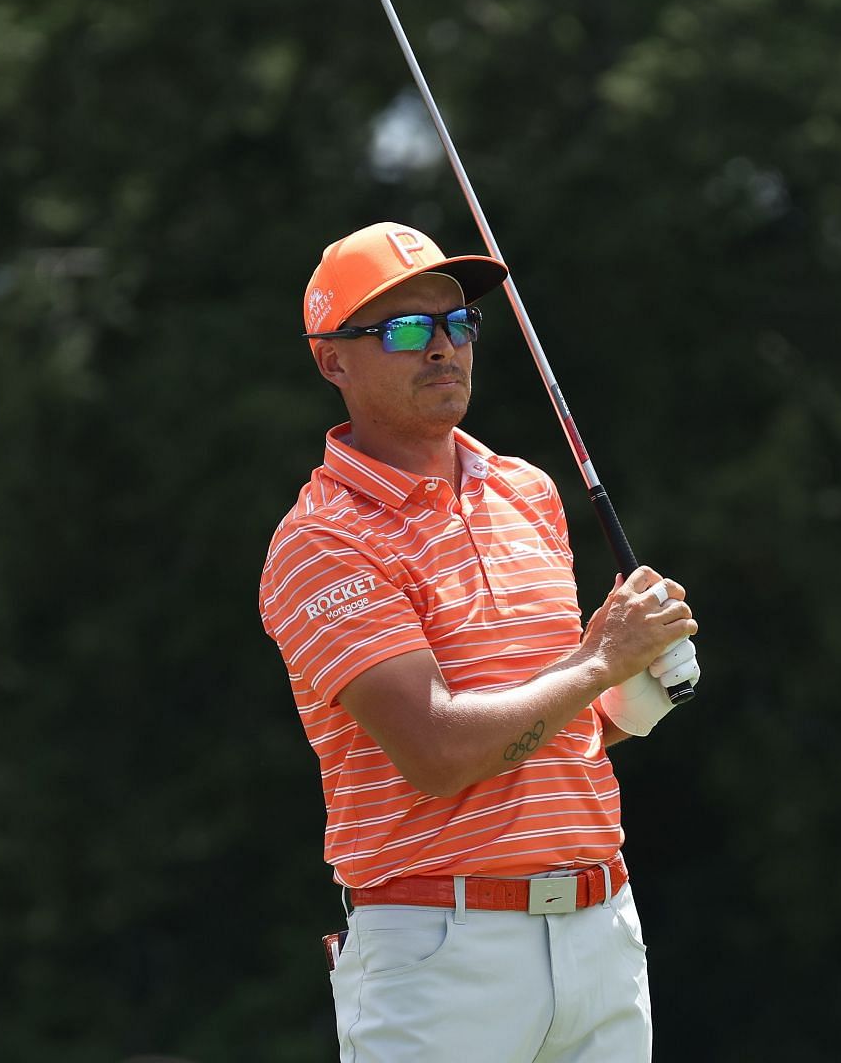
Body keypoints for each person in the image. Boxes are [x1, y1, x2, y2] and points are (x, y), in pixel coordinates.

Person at [258, 222, 702, 1061]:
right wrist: (601, 656)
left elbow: (549, 725)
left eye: (456, 323)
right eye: (405, 330)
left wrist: (633, 694)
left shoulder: (525, 491)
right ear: (332, 360)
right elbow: (438, 752)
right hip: (439, 951)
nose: (442, 348)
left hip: (601, 928)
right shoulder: (323, 541)